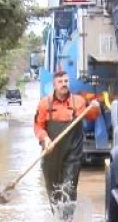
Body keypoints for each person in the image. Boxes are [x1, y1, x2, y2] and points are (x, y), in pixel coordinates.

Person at [34, 71, 101, 210]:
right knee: (54, 194)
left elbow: (93, 116)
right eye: (60, 82)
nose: (64, 84)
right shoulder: (44, 104)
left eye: (66, 81)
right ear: (54, 85)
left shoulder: (79, 102)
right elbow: (38, 127)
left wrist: (96, 107)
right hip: (50, 154)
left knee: (68, 190)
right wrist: (45, 139)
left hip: (72, 154)